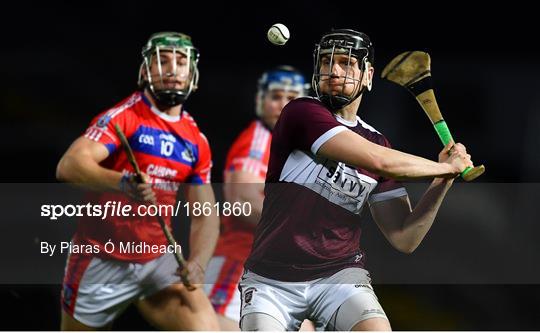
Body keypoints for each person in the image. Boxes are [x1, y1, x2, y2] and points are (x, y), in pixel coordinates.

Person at [239, 29, 474, 331]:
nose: (334, 71)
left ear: (368, 76)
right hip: (272, 279)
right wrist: (445, 168)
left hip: (339, 274)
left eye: (346, 63)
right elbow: (379, 161)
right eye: (326, 62)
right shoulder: (302, 113)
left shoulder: (378, 140)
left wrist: (444, 180)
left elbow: (404, 237)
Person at [56, 31, 220, 330]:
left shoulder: (196, 139)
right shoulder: (124, 117)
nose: (172, 69)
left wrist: (198, 263)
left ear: (192, 73)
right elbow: (69, 165)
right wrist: (123, 183)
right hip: (100, 259)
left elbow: (205, 214)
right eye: (163, 61)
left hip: (159, 260)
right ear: (145, 72)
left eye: (181, 62)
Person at [203, 66, 311, 330]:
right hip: (238, 265)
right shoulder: (258, 140)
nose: (283, 105)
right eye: (276, 96)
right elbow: (242, 201)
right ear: (259, 101)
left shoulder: (297, 148)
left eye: (291, 99)